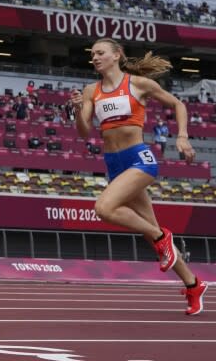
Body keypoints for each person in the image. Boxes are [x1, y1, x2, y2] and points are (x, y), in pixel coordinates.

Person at [69, 38, 207, 315]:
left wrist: (182, 137)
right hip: (114, 164)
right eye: (92, 54)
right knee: (151, 237)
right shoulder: (90, 91)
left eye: (100, 53)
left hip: (138, 159)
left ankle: (161, 236)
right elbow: (84, 133)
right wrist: (76, 110)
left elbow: (178, 105)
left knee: (104, 208)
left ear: (116, 55)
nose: (94, 57)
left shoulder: (137, 84)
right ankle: (193, 284)